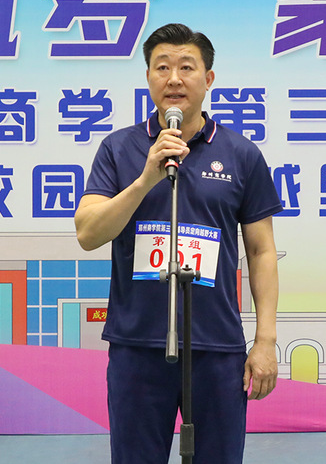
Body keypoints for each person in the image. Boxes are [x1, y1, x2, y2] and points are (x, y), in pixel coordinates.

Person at [75, 23, 281, 463]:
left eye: (186, 67)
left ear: (208, 79)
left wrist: (265, 340)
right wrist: (145, 179)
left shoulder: (242, 154)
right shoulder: (119, 148)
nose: (174, 79)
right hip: (137, 344)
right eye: (162, 67)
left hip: (216, 346)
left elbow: (262, 251)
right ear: (148, 77)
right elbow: (88, 233)